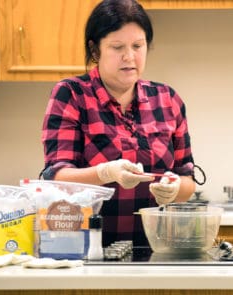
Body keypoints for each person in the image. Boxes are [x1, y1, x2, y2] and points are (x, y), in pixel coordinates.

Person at [40, 0, 198, 247]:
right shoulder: (71, 95)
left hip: (155, 249)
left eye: (138, 45)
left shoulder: (168, 100)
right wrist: (105, 173)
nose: (129, 56)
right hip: (88, 251)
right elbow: (58, 178)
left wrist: (175, 188)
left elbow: (187, 179)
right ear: (95, 51)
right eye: (117, 47)